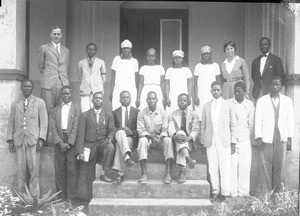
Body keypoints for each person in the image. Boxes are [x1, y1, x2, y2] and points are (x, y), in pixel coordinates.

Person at [6, 79, 48, 195]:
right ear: (21, 88)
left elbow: (44, 122)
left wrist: (41, 139)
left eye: (29, 86)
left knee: (34, 170)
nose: (27, 88)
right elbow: (11, 122)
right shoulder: (15, 103)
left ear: (32, 88)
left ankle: (34, 198)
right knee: (21, 170)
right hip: (19, 141)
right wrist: (10, 140)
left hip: (33, 141)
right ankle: (22, 197)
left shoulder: (39, 102)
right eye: (25, 86)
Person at [255, 76, 293, 194]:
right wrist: (259, 136)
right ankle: (265, 192)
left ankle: (278, 192)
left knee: (279, 165)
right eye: (272, 84)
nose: (274, 87)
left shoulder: (287, 101)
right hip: (266, 136)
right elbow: (258, 119)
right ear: (269, 86)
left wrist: (289, 137)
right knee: (265, 164)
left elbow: (290, 120)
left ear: (281, 86)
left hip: (281, 136)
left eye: (277, 85)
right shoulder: (262, 100)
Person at [76, 92, 115, 200]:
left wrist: (110, 137)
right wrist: (80, 151)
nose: (98, 100)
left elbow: (112, 130)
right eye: (96, 98)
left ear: (103, 101)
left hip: (102, 144)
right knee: (89, 172)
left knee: (110, 147)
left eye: (100, 98)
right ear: (92, 101)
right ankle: (90, 198)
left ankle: (104, 172)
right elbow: (80, 134)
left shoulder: (108, 114)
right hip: (89, 146)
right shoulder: (85, 115)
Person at [49, 85, 81, 201]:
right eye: (63, 94)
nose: (65, 96)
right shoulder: (55, 110)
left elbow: (76, 126)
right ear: (60, 95)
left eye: (67, 93)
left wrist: (70, 142)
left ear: (71, 94)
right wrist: (60, 142)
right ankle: (60, 198)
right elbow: (53, 127)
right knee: (60, 171)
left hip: (71, 142)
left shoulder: (76, 108)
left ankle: (70, 199)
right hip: (59, 141)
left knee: (72, 171)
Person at [201, 81, 231, 201]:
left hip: (224, 139)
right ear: (211, 91)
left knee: (225, 167)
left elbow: (232, 124)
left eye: (218, 90)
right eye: (214, 90)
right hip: (210, 139)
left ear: (222, 91)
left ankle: (225, 193)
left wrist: (232, 141)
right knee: (213, 167)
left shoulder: (227, 105)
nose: (216, 92)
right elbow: (203, 125)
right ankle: (215, 191)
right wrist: (203, 141)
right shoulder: (206, 106)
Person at [137, 91, 174, 184]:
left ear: (157, 100)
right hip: (148, 139)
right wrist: (150, 136)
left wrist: (160, 137)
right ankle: (144, 174)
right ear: (146, 100)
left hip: (159, 139)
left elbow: (165, 129)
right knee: (142, 141)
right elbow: (141, 130)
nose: (151, 101)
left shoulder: (163, 112)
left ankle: (168, 174)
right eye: (149, 99)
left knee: (168, 140)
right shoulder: (142, 113)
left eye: (153, 98)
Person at [229, 81, 254, 197]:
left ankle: (243, 192)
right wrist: (233, 141)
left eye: (239, 91)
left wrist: (245, 136)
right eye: (235, 92)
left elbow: (251, 124)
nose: (237, 94)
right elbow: (230, 123)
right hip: (232, 139)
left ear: (244, 92)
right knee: (232, 165)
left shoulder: (249, 105)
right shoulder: (229, 103)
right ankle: (232, 192)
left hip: (244, 138)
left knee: (244, 165)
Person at [38, 26, 70, 113]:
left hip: (62, 83)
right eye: (54, 34)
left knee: (61, 110)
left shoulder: (66, 51)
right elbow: (41, 66)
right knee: (48, 109)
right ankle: (48, 127)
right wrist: (48, 75)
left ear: (61, 35)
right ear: (50, 35)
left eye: (58, 34)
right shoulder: (44, 48)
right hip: (48, 83)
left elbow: (65, 66)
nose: (56, 36)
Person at [168, 93, 199, 184]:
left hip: (189, 141)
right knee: (180, 133)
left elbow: (195, 129)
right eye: (179, 100)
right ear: (177, 102)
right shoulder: (173, 114)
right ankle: (188, 160)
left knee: (182, 139)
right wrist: (174, 136)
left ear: (188, 102)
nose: (181, 102)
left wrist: (189, 137)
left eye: (184, 100)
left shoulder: (194, 114)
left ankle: (183, 169)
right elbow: (170, 128)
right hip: (176, 140)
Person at [112, 91, 139, 184]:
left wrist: (131, 132)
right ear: (119, 99)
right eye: (123, 97)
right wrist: (120, 129)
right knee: (120, 132)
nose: (125, 99)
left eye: (127, 97)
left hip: (131, 139)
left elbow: (139, 129)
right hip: (119, 138)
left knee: (120, 145)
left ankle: (120, 173)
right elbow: (112, 129)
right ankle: (126, 157)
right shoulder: (115, 113)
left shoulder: (137, 112)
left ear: (131, 99)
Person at [251, 37, 286, 102]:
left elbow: (281, 76)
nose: (263, 46)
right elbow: (254, 77)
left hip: (271, 91)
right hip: (259, 91)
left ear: (269, 45)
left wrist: (276, 89)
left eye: (265, 44)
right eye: (261, 45)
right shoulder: (255, 61)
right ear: (259, 46)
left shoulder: (276, 59)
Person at [110, 39, 139, 111]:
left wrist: (138, 94)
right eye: (124, 48)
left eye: (128, 48)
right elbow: (113, 77)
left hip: (131, 88)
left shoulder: (134, 61)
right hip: (118, 88)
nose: (126, 50)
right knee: (116, 108)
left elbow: (137, 79)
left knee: (131, 109)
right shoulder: (116, 59)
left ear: (130, 50)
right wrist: (111, 91)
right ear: (121, 50)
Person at [194, 45, 221, 120]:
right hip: (201, 94)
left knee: (212, 113)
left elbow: (218, 82)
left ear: (210, 54)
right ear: (201, 55)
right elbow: (195, 83)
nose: (206, 55)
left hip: (212, 93)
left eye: (208, 54)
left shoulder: (215, 66)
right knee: (200, 114)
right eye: (204, 54)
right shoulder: (198, 66)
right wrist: (196, 96)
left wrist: (217, 94)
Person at [78, 43, 106, 112]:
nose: (91, 51)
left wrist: (97, 85)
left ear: (96, 51)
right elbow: (80, 76)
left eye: (93, 50)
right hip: (85, 90)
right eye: (89, 49)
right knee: (84, 110)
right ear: (86, 50)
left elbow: (103, 77)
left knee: (96, 110)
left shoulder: (101, 62)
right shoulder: (81, 63)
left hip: (97, 90)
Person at [165, 50, 193, 114]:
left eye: (179, 58)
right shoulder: (169, 70)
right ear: (173, 59)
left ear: (182, 59)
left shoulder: (187, 70)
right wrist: (167, 97)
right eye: (175, 58)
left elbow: (190, 84)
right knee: (171, 114)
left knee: (186, 114)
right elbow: (166, 84)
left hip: (184, 95)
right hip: (172, 95)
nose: (177, 59)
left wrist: (189, 96)